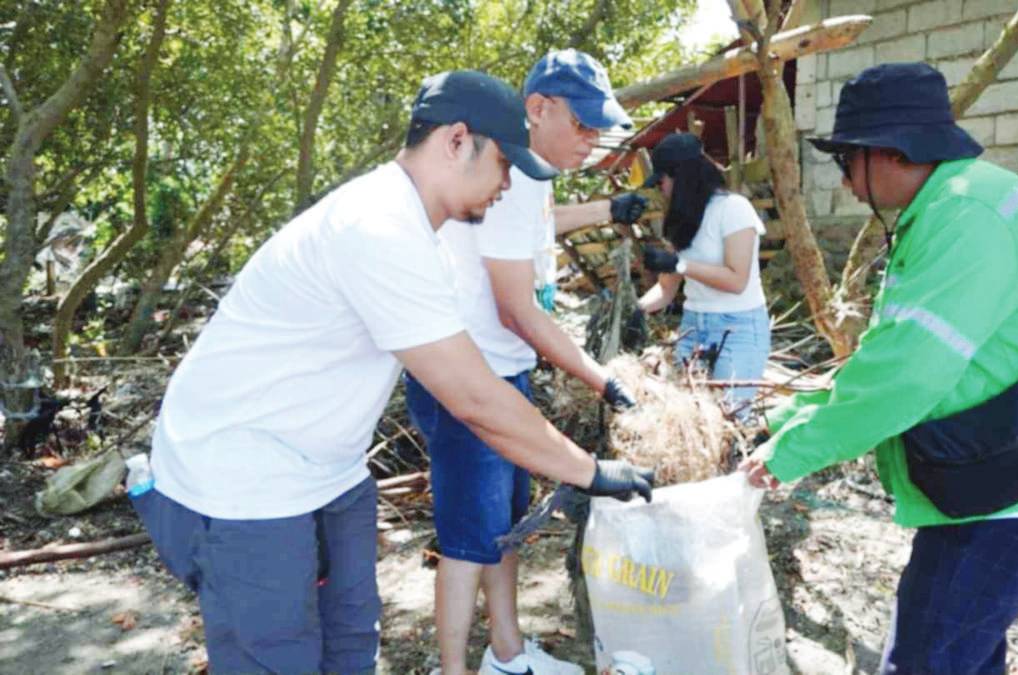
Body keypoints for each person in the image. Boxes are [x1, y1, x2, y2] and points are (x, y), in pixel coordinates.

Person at [131, 70, 653, 675]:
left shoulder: (418, 229)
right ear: (457, 142)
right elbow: (473, 398)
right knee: (277, 658)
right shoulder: (375, 226)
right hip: (244, 480)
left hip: (329, 471)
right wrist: (589, 472)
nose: (508, 184)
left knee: (352, 640)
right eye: (505, 165)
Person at [739, 62, 1018, 674]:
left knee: (924, 661)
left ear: (888, 153)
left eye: (846, 160)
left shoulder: (967, 219)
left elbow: (906, 377)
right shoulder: (960, 203)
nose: (847, 180)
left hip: (1010, 496)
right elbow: (897, 356)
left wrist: (784, 456)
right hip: (994, 472)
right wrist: (789, 412)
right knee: (967, 656)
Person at [409, 49, 648, 675]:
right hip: (471, 380)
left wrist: (604, 211)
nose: (593, 142)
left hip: (502, 372)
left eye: (601, 129)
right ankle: (455, 669)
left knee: (505, 529)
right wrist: (602, 378)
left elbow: (534, 229)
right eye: (583, 125)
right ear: (537, 108)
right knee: (468, 542)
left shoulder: (532, 177)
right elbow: (516, 309)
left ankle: (507, 653)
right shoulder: (505, 168)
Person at [633, 132, 770, 416]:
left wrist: (680, 265)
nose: (662, 190)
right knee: (691, 415)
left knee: (728, 419)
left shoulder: (734, 209)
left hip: (738, 327)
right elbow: (666, 289)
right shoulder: (681, 220)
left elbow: (736, 280)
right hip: (693, 324)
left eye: (662, 182)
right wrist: (634, 310)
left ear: (682, 177)